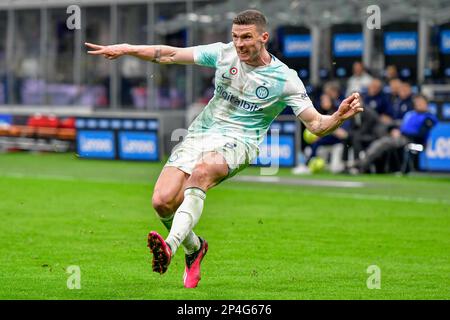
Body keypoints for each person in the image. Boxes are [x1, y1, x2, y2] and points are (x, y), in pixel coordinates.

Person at [85, 9, 363, 288]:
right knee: (162, 201)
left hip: (241, 141)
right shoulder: (223, 53)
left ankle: (169, 246)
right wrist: (127, 49)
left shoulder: (285, 79)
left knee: (203, 171)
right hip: (201, 133)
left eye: (246, 37)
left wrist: (337, 117)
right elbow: (170, 54)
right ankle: (195, 248)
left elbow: (315, 124)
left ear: (264, 37)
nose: (239, 44)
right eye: (235, 37)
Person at [352, 94, 437, 173]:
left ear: (426, 104)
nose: (418, 104)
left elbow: (420, 134)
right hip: (401, 138)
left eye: (420, 102)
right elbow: (399, 124)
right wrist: (394, 130)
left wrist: (402, 132)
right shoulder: (410, 114)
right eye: (417, 102)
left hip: (415, 142)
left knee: (384, 142)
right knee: (380, 134)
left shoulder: (428, 118)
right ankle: (373, 166)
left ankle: (361, 164)